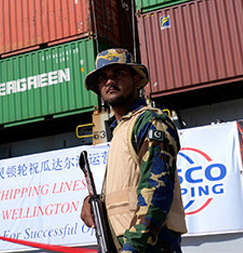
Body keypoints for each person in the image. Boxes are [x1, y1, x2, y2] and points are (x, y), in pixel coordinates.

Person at [80, 48, 187, 253]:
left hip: (148, 246)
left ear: (137, 81)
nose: (109, 81)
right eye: (103, 77)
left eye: (118, 74)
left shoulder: (150, 121)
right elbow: (126, 190)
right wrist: (93, 203)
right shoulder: (121, 130)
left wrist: (135, 246)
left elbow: (157, 187)